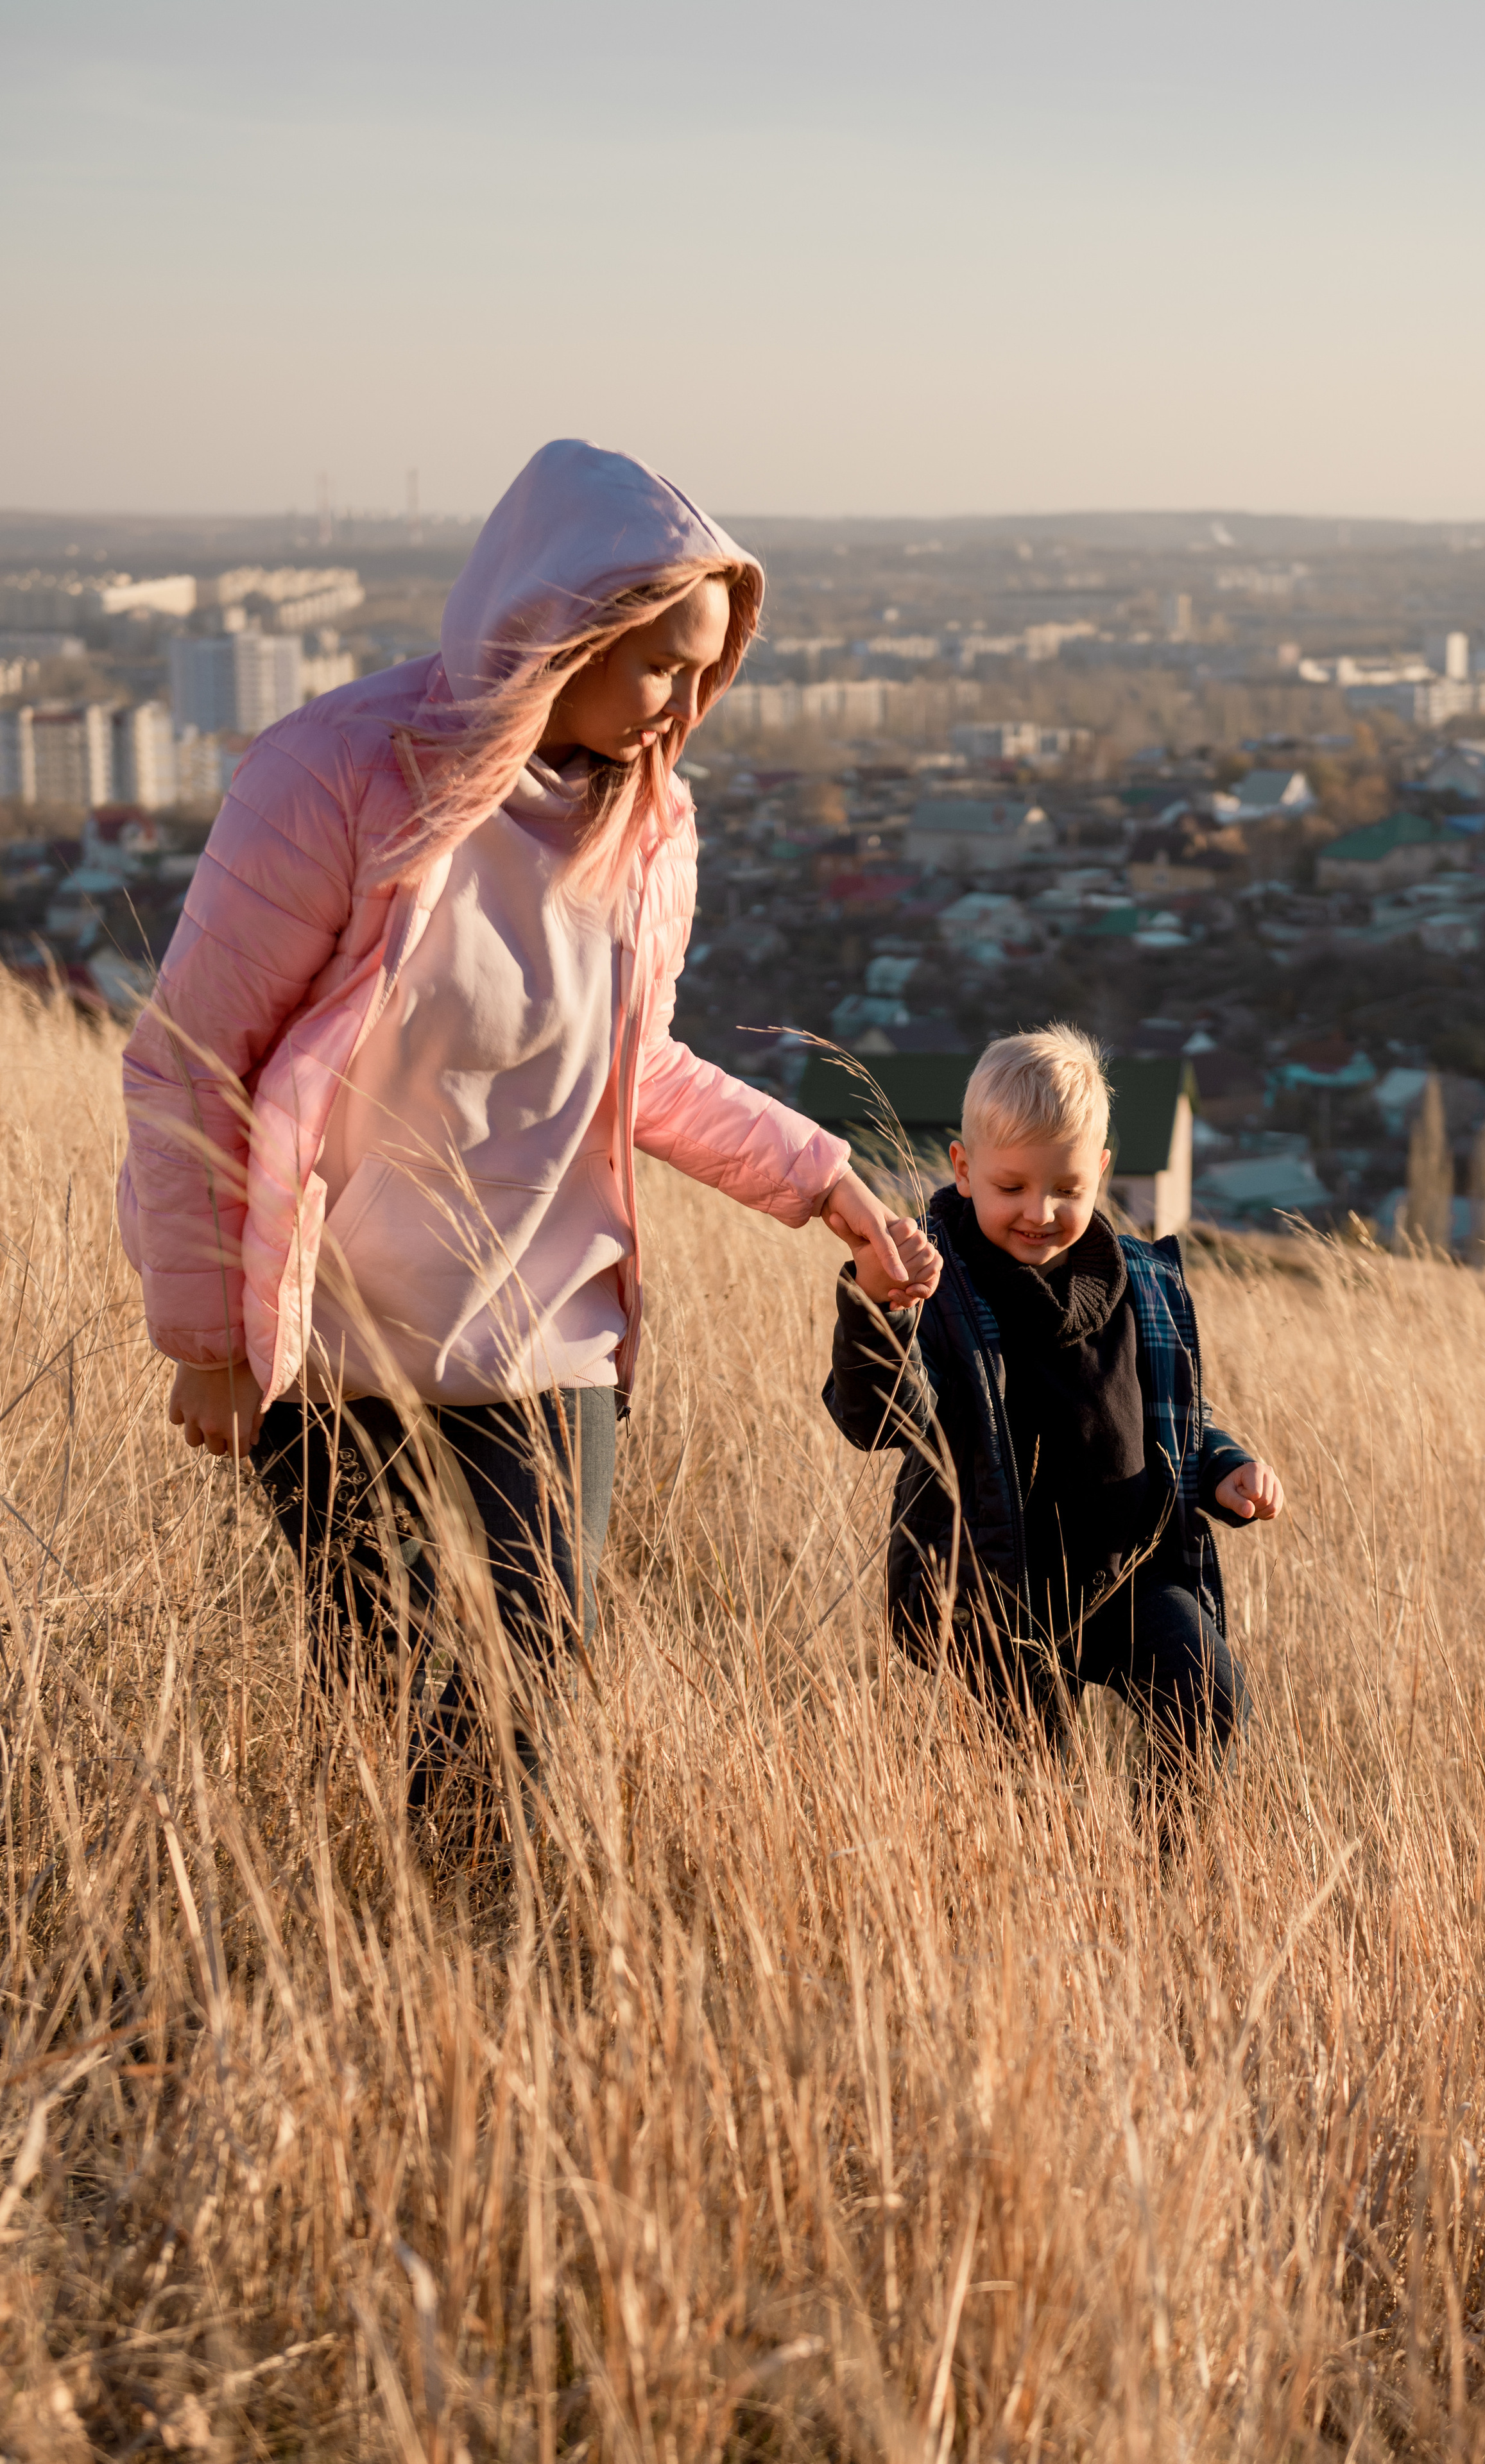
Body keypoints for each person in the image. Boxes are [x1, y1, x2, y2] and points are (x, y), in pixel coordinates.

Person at [119, 440, 940, 1786]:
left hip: (542, 1331)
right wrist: (208, 1337)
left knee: (525, 1685)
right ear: (562, 629)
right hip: (338, 1335)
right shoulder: (337, 776)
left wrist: (829, 1187)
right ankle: (391, 1955)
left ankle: (506, 1937)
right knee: (383, 1683)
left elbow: (638, 1068)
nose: (685, 700)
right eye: (660, 660)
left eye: (706, 667)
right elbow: (189, 1062)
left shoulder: (651, 822)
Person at [823, 1024, 1282, 1801]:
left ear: (1101, 1171)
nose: (1040, 1211)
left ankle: (1161, 1881)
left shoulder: (1144, 1284)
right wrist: (880, 1305)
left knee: (1209, 1697)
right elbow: (877, 1421)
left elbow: (1176, 1420)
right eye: (1012, 1188)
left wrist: (1225, 1467)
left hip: (1132, 1574)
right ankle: (1044, 1895)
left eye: (1067, 1189)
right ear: (962, 1170)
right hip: (995, 1591)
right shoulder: (941, 1286)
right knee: (1035, 1783)